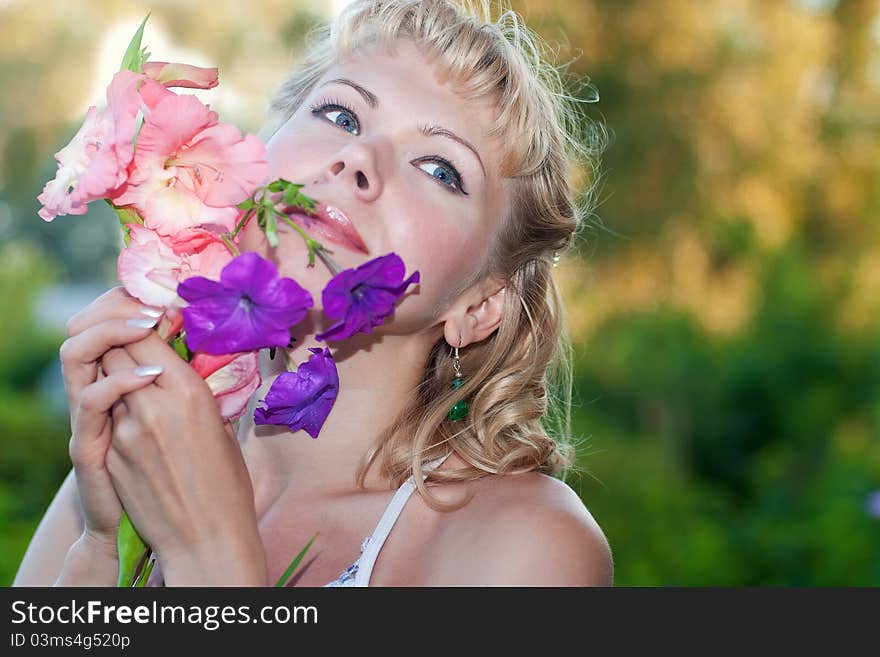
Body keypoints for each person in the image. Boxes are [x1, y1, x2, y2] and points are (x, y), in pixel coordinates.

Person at [14, 0, 612, 587]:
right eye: (343, 116)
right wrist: (101, 544)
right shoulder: (147, 455)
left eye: (439, 169)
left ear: (479, 307)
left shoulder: (527, 545)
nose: (358, 157)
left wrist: (206, 554)